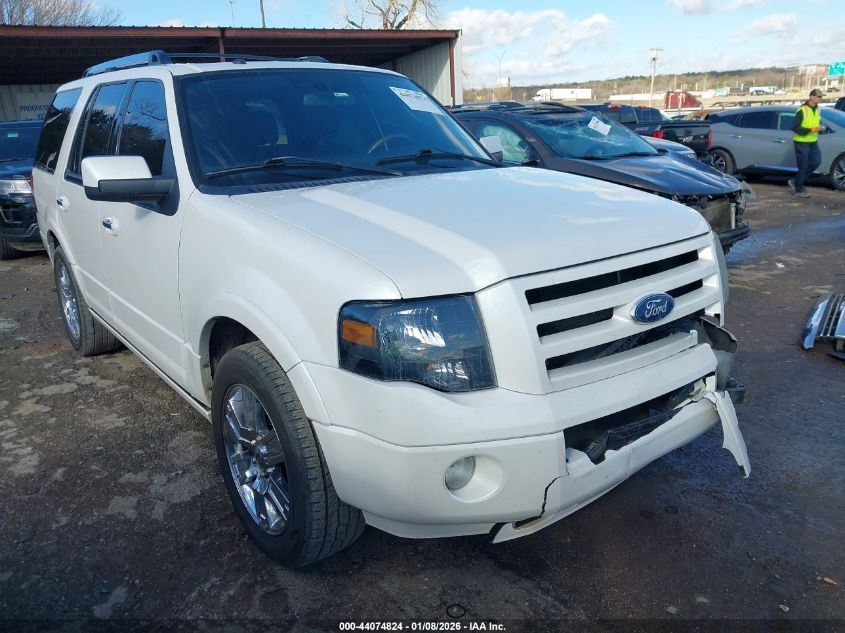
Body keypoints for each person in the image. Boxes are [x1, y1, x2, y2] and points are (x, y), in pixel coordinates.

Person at [788, 88, 825, 198]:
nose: (820, 99)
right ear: (811, 97)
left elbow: (815, 123)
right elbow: (795, 127)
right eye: (818, 97)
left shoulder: (817, 109)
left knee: (816, 161)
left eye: (821, 97)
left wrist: (820, 129)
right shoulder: (802, 110)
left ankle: (796, 181)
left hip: (813, 141)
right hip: (801, 141)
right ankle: (799, 189)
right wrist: (811, 129)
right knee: (803, 165)